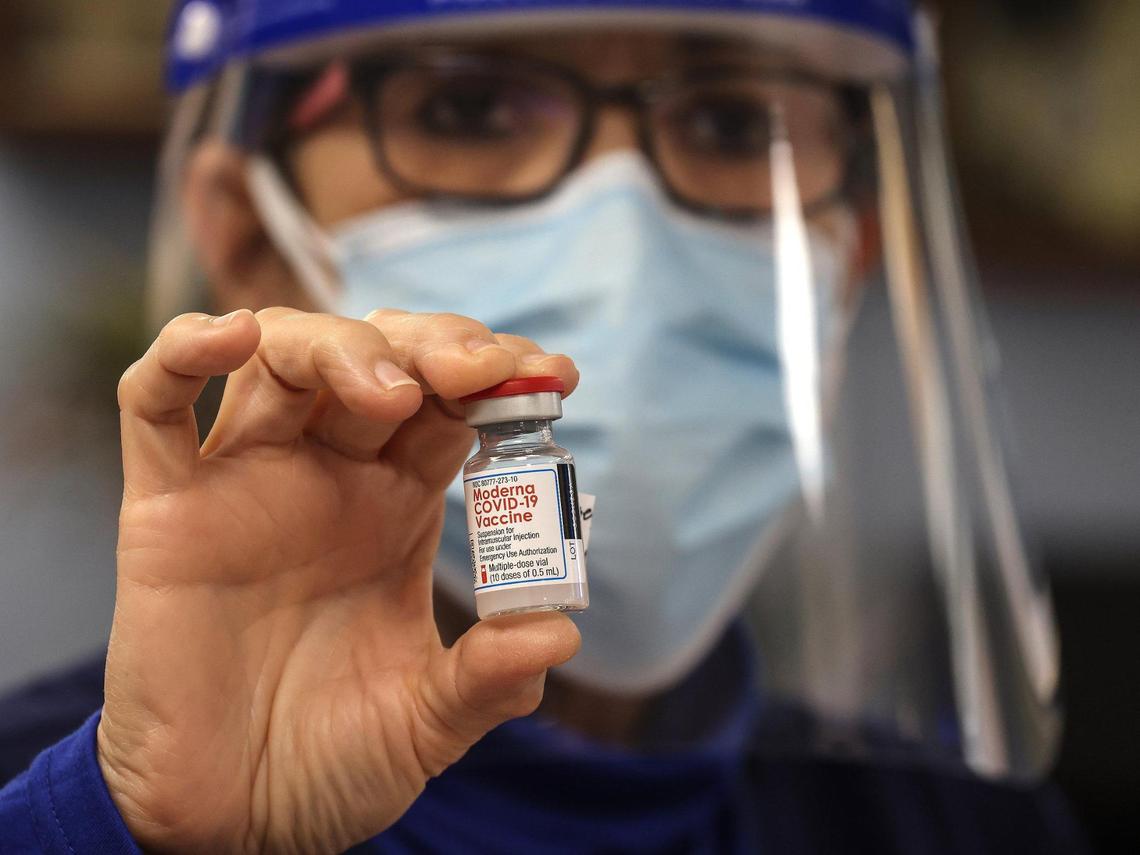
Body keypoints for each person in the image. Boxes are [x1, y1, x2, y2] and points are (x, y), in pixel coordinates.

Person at [0, 1, 1088, 852]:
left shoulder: (959, 826)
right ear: (248, 232)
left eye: (730, 123)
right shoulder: (74, 803)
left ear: (847, 256)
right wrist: (130, 836)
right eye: (468, 111)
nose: (627, 251)